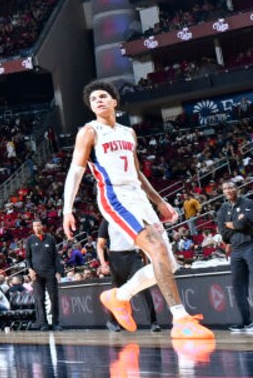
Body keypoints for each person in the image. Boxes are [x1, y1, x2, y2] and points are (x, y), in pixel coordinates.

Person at [62, 78, 213, 341]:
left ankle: (119, 296)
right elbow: (76, 171)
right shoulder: (89, 131)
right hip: (114, 196)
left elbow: (138, 173)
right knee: (155, 249)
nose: (98, 100)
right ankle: (181, 320)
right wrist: (67, 209)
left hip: (138, 196)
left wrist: (159, 202)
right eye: (93, 99)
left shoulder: (127, 132)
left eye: (102, 96)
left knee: (169, 262)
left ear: (114, 102)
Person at [96, 219, 159, 332]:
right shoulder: (107, 220)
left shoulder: (130, 216)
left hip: (133, 255)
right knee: (116, 291)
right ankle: (112, 321)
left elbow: (142, 241)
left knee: (144, 286)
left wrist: (145, 262)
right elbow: (100, 245)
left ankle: (153, 322)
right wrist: (103, 263)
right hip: (116, 257)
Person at [216, 179, 253, 332]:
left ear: (237, 188)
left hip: (250, 244)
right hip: (236, 250)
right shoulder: (223, 208)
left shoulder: (248, 203)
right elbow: (223, 232)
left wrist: (233, 224)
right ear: (223, 192)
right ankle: (246, 322)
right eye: (226, 188)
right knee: (238, 287)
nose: (229, 190)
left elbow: (245, 223)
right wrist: (236, 224)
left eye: (231, 187)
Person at [24, 219, 61, 330]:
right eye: (34, 226)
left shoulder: (50, 239)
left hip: (50, 272)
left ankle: (56, 322)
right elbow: (27, 257)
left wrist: (58, 271)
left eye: (38, 225)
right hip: (36, 273)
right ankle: (43, 323)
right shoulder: (29, 240)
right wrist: (30, 269)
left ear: (42, 226)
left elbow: (56, 256)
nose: (36, 228)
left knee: (54, 297)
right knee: (40, 299)